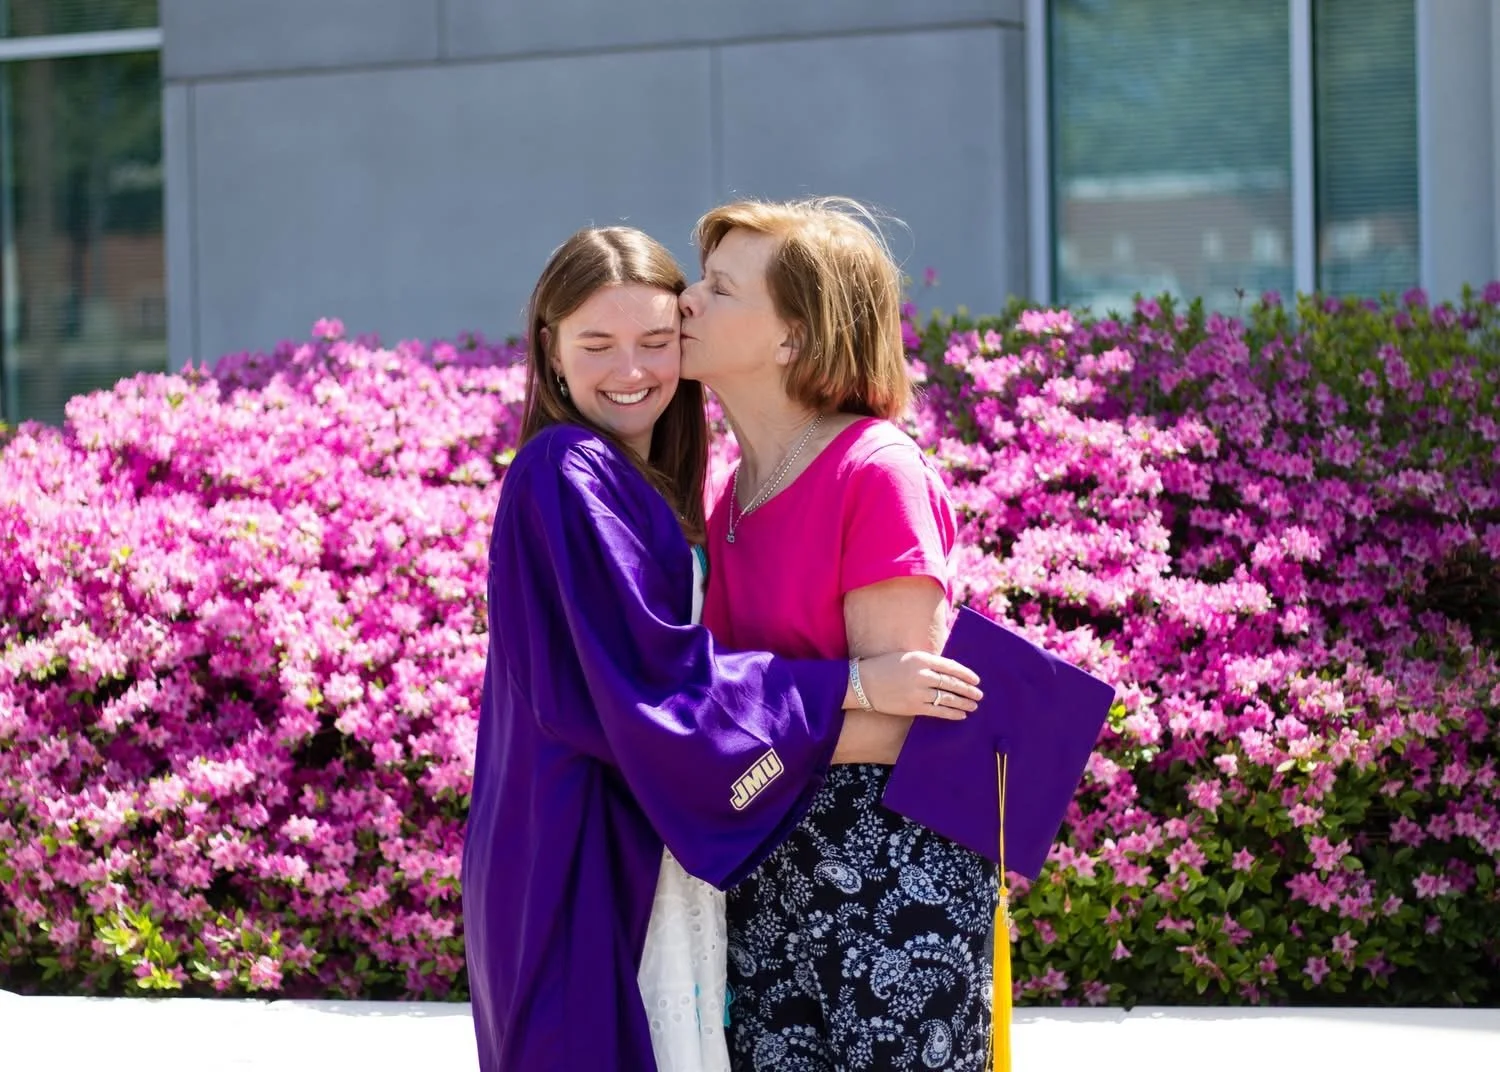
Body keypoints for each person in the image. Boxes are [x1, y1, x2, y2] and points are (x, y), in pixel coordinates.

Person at [460, 226, 983, 1072]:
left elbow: (912, 718)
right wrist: (851, 686)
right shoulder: (566, 469)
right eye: (596, 344)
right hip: (585, 844)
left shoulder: (700, 488)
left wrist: (860, 691)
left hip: (762, 862)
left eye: (657, 339)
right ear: (550, 353)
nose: (631, 367)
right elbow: (655, 692)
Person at [680, 198, 1000, 1070]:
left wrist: (730, 739)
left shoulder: (875, 470)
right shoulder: (728, 493)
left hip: (892, 870)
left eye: (719, 289)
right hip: (772, 868)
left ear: (793, 336)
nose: (685, 302)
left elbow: (906, 722)